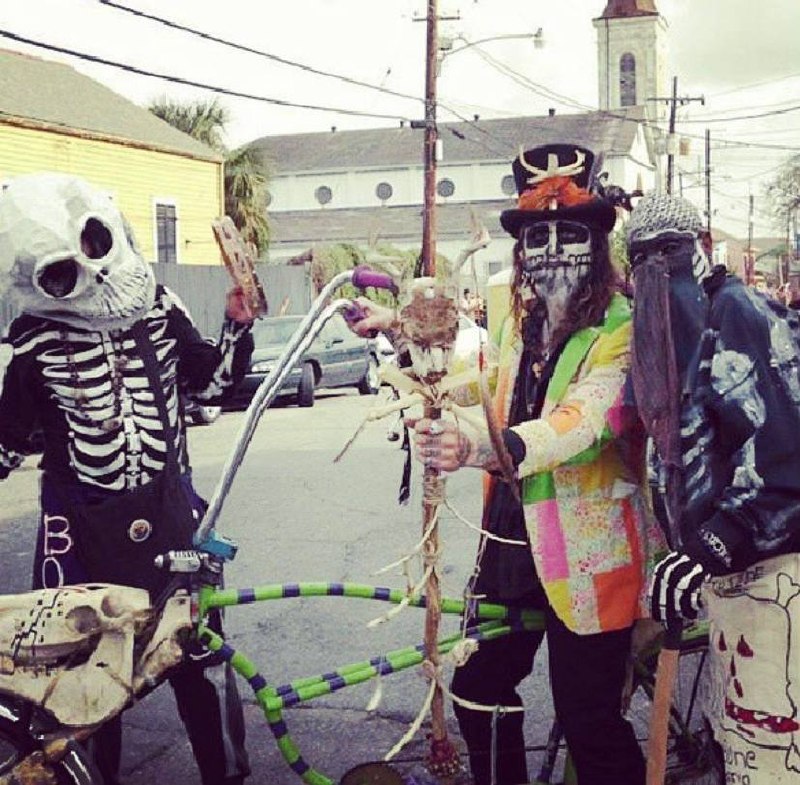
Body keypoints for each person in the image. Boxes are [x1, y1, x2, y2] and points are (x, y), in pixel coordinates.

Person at [350, 144, 666, 785]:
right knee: (478, 689)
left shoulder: (623, 327)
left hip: (586, 553)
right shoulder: (523, 326)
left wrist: (480, 449)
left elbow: (583, 421)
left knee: (589, 720)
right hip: (508, 541)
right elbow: (486, 381)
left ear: (597, 244)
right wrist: (405, 339)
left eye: (569, 235)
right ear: (521, 251)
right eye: (536, 238)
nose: (552, 250)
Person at [0, 173, 253, 785]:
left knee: (199, 655)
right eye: (63, 270)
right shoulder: (33, 342)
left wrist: (238, 326)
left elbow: (212, 386)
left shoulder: (161, 308)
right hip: (80, 531)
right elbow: (6, 444)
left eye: (94, 246)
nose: (91, 274)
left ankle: (225, 776)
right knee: (83, 679)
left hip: (169, 514)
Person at [626, 192, 800, 784]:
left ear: (702, 246)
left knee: (771, 751)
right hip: (728, 585)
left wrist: (708, 547)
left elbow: (782, 464)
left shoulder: (736, 312)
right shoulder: (670, 335)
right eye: (641, 260)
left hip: (776, 575)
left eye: (669, 252)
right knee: (739, 745)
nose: (656, 271)